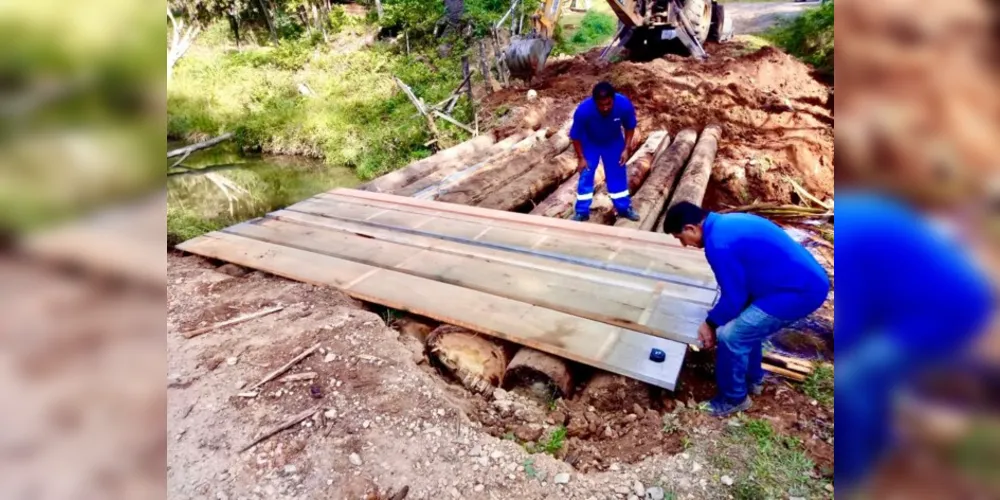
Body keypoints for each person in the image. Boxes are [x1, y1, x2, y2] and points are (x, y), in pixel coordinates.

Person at [834, 192, 993, 492]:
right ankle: (879, 444)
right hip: (937, 298)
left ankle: (851, 475)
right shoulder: (858, 209)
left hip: (943, 311)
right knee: (873, 377)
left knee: (849, 380)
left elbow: (850, 314)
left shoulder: (846, 238)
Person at [662, 201, 830, 416]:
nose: (685, 245)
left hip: (797, 292)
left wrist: (710, 324)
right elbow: (738, 293)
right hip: (798, 281)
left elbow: (734, 297)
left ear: (690, 228)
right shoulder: (729, 223)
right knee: (746, 327)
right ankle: (752, 380)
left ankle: (733, 399)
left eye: (680, 238)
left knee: (732, 336)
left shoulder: (718, 244)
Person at [568, 81, 641, 222]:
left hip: (613, 142)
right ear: (595, 101)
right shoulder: (584, 110)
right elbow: (575, 136)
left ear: (613, 98)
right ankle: (581, 211)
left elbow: (630, 127)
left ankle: (624, 208)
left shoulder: (623, 104)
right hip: (590, 142)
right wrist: (581, 157)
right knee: (586, 174)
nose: (605, 108)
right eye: (601, 105)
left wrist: (626, 149)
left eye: (608, 104)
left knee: (617, 173)